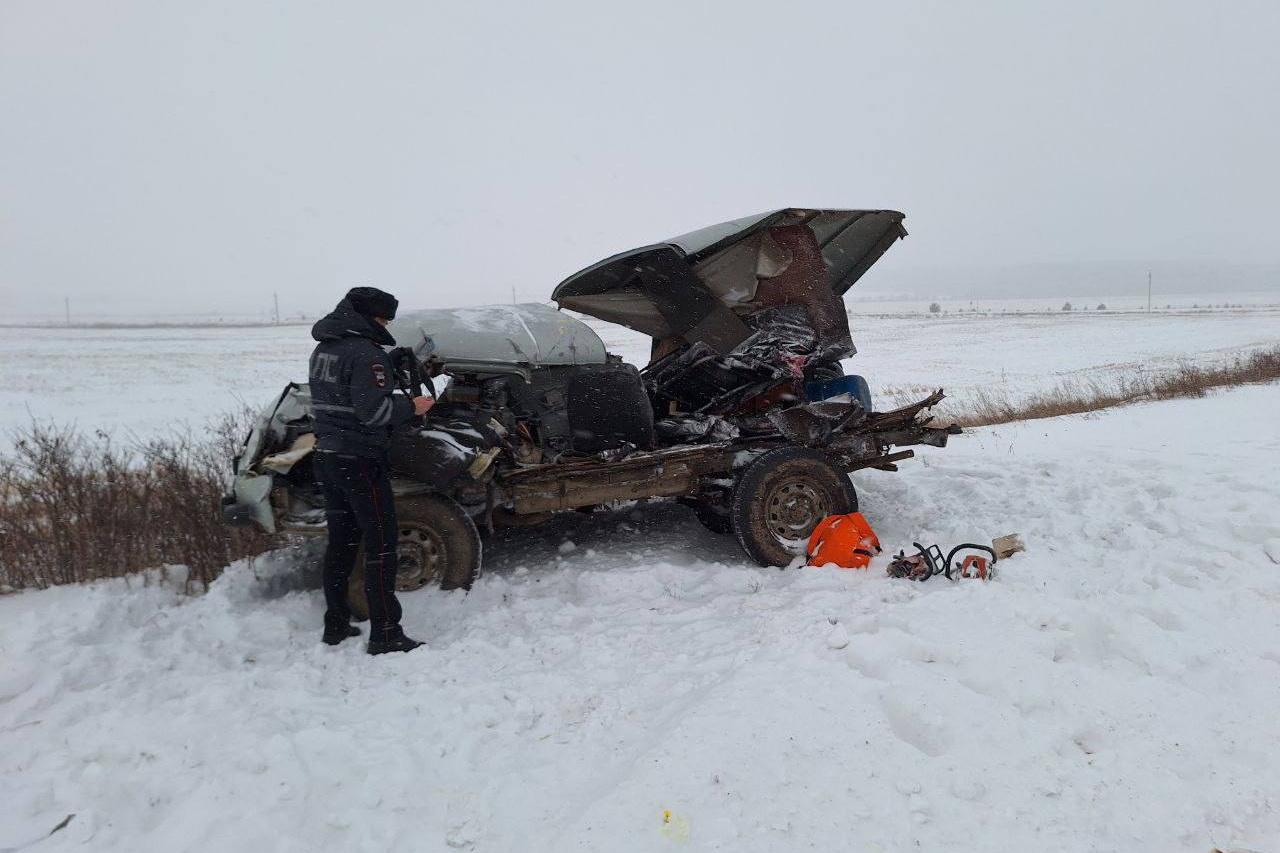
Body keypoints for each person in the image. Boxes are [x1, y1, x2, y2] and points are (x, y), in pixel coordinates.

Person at [308, 287, 434, 654]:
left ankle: (335, 625)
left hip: (328, 457)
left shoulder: (324, 349)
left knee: (342, 544)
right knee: (381, 545)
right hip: (360, 461)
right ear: (369, 317)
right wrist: (412, 405)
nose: (385, 325)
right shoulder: (367, 355)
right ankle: (385, 633)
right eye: (383, 319)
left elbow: (339, 399)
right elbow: (373, 413)